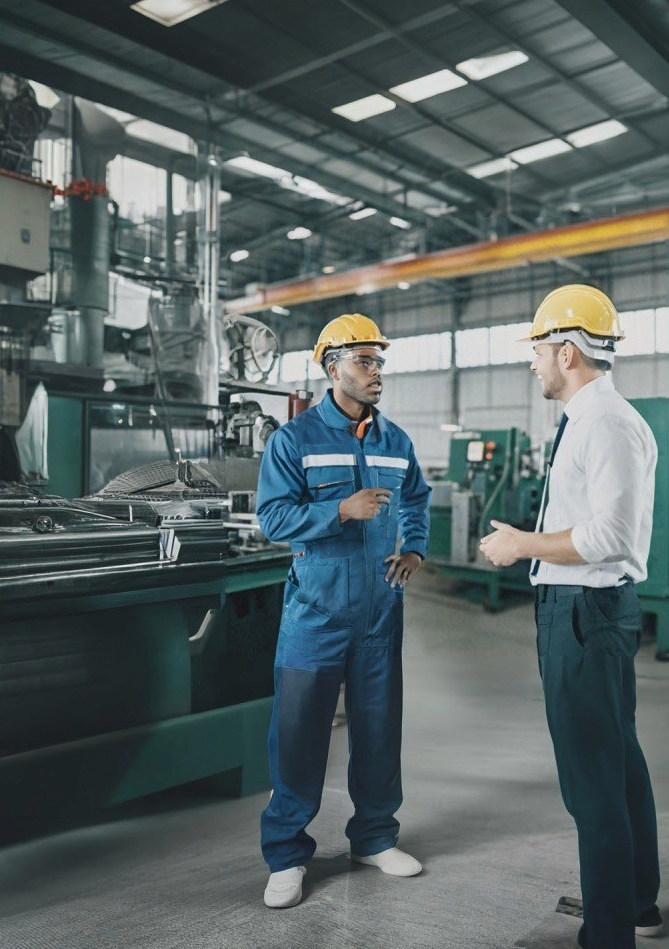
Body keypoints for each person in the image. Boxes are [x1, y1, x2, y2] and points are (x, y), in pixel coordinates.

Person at [480, 285, 662, 949]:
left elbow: (608, 536)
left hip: (585, 614)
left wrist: (519, 545)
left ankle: (608, 932)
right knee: (616, 762)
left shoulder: (606, 424)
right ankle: (635, 900)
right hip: (590, 611)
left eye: (537, 350)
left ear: (566, 351)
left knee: (592, 781)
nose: (532, 363)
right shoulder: (589, 421)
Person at [255, 313, 431, 909]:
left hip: (380, 610)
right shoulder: (294, 441)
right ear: (333, 368)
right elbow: (273, 518)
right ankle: (285, 856)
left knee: (380, 731)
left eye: (380, 361)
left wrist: (414, 547)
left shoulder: (395, 441)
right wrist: (340, 512)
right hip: (316, 612)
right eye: (364, 361)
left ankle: (375, 838)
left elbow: (417, 498)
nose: (377, 372)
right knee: (300, 734)